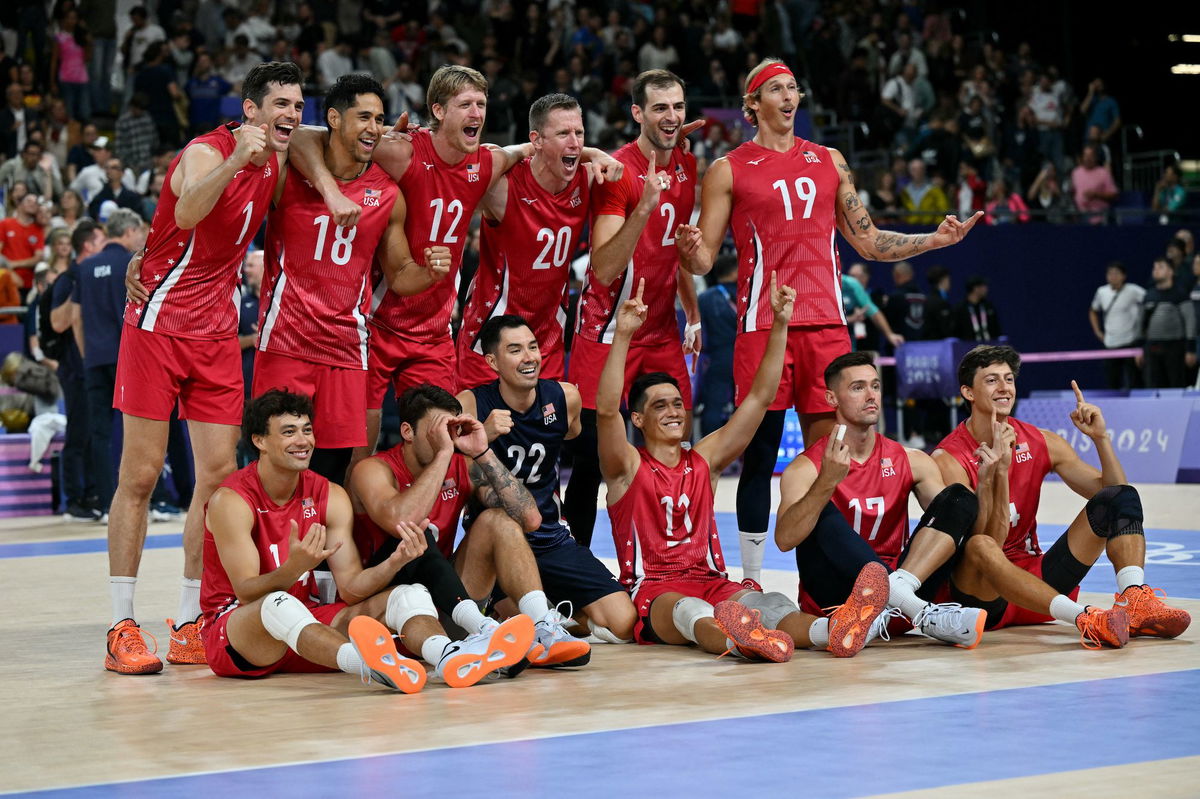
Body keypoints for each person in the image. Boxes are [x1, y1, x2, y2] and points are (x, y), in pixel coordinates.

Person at [677, 58, 981, 586]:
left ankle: (828, 584)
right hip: (763, 326)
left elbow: (867, 240)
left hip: (827, 327)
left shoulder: (829, 160)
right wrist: (691, 252)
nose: (790, 96)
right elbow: (703, 261)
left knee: (835, 461)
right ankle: (751, 581)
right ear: (753, 105)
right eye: (776, 89)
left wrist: (933, 239)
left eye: (794, 87)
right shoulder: (728, 168)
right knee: (759, 455)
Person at [290, 64, 620, 475]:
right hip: (376, 324)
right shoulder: (402, 150)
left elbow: (537, 147)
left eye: (481, 104)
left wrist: (596, 153)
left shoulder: (486, 163)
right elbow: (303, 137)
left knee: (440, 452)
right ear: (439, 111)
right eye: (465, 104)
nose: (477, 113)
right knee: (360, 452)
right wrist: (330, 181)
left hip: (433, 332)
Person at [109, 62, 305, 675]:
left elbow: (330, 139)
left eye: (298, 104)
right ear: (249, 109)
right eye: (279, 103)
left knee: (218, 479)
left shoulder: (280, 152)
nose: (291, 114)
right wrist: (233, 162)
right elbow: (189, 209)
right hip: (159, 324)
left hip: (218, 334)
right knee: (140, 476)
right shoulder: (206, 149)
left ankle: (192, 619)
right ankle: (121, 623)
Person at [598, 275, 887, 660]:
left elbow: (761, 398)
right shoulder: (627, 466)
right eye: (659, 405)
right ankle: (742, 641)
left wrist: (780, 324)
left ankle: (832, 630)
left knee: (773, 603)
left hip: (713, 582)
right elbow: (604, 411)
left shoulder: (704, 460)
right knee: (689, 611)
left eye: (676, 402)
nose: (673, 411)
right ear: (636, 418)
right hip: (655, 587)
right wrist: (622, 337)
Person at [198, 389, 523, 689]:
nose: (302, 440)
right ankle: (371, 664)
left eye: (307, 430)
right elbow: (244, 591)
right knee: (276, 603)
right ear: (259, 440)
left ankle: (449, 655)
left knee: (409, 593)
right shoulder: (232, 500)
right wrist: (292, 569)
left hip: (310, 634)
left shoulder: (329, 494)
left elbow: (351, 588)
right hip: (240, 633)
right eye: (288, 432)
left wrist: (396, 562)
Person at [254, 74, 449, 485]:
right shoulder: (289, 170)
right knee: (275, 468)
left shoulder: (388, 193)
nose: (374, 128)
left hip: (346, 350)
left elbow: (398, 275)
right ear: (335, 119)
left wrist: (430, 273)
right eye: (364, 117)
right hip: (286, 342)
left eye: (379, 119)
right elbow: (298, 137)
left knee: (334, 473)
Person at [932, 346, 1190, 648]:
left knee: (1121, 497)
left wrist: (1100, 439)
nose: (1004, 388)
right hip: (984, 595)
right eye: (991, 380)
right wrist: (999, 473)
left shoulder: (1040, 440)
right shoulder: (949, 459)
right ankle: (1086, 618)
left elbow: (1117, 496)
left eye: (1009, 379)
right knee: (981, 546)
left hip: (1040, 583)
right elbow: (986, 541)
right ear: (968, 392)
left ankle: (1134, 599)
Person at [350, 385, 589, 669]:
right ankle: (481, 634)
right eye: (436, 431)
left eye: (451, 430)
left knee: (498, 520)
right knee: (417, 534)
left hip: (452, 604)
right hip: (396, 614)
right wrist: (443, 454)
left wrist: (482, 451)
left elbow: (530, 519)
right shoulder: (373, 469)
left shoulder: (461, 466)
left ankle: (544, 629)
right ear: (407, 432)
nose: (446, 439)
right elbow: (404, 522)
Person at [563, 69, 701, 549]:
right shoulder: (617, 171)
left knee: (672, 445)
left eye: (677, 107)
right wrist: (644, 205)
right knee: (590, 458)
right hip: (605, 329)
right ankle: (577, 571)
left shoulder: (687, 166)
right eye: (659, 107)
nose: (671, 116)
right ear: (637, 113)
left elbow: (676, 252)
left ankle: (672, 560)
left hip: (661, 330)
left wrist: (694, 314)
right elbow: (601, 267)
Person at [775, 352, 986, 650]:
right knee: (817, 507)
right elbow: (784, 539)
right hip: (840, 601)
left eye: (875, 385)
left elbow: (955, 524)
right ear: (832, 398)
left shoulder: (910, 460)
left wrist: (991, 480)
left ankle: (896, 598)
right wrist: (827, 482)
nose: (871, 395)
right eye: (858, 387)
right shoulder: (806, 467)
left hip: (901, 594)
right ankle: (922, 613)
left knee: (960, 497)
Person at [458, 315, 637, 643]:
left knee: (623, 621)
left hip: (550, 536)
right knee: (530, 632)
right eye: (515, 350)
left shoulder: (565, 398)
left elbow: (575, 437)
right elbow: (447, 466)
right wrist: (483, 433)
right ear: (492, 361)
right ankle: (518, 608)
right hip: (499, 539)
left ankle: (560, 613)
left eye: (533, 347)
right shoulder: (471, 404)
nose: (529, 357)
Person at [454, 93, 593, 391]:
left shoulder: (588, 177)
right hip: (490, 339)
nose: (575, 143)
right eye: (563, 133)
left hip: (547, 339)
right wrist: (519, 150)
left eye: (579, 133)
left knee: (547, 435)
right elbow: (469, 162)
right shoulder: (504, 186)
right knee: (480, 434)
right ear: (537, 139)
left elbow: (633, 164)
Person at [1138, 258, 1196, 388]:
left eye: (1160, 267)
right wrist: (1140, 349)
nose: (1156, 270)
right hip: (1152, 347)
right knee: (1153, 384)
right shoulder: (1149, 295)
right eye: (1154, 267)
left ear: (1170, 272)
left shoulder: (1180, 294)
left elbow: (1190, 322)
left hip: (1175, 346)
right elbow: (1141, 324)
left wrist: (1190, 349)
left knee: (1175, 383)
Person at [1089, 261, 1145, 390]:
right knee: (1112, 383)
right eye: (1110, 273)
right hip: (1110, 344)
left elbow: (1150, 300)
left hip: (1130, 343)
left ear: (1123, 276)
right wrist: (1098, 332)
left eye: (1116, 273)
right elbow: (1093, 310)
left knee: (1135, 382)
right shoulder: (1101, 292)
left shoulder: (1133, 290)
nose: (1113, 276)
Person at [0, 193, 47, 289]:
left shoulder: (38, 230)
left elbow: (38, 257)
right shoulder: (5, 224)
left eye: (35, 202)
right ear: (19, 204)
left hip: (28, 284)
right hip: (6, 281)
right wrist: (9, 269)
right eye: (29, 201)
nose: (32, 204)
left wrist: (14, 264)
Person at [1072, 145, 1118, 225]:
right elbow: (1074, 192)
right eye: (1086, 155)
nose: (1088, 158)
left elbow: (1114, 195)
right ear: (1082, 157)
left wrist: (1096, 195)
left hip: (1100, 217)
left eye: (1091, 155)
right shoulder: (1076, 172)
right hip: (1080, 217)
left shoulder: (1104, 173)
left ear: (1096, 157)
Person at [952, 276, 1001, 341]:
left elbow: (996, 329)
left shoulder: (989, 307)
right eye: (983, 286)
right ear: (975, 288)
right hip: (967, 348)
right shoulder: (960, 309)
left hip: (989, 347)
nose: (986, 289)